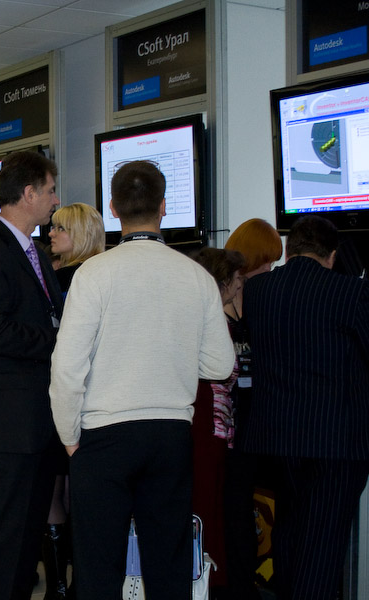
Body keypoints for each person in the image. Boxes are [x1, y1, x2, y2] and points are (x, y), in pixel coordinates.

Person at [49, 160, 235, 600]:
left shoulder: (94, 273)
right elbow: (220, 364)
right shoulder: (196, 275)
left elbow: (67, 366)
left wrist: (69, 438)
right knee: (169, 565)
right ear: (164, 206)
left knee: (98, 569)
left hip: (103, 436)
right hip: (170, 434)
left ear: (113, 208)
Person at [240, 215, 369, 599]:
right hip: (336, 445)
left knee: (290, 538)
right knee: (322, 553)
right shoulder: (350, 292)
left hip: (277, 442)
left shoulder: (258, 291)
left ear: (289, 250)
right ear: (331, 255)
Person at [0, 150, 64, 600]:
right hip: (8, 422)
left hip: (38, 419)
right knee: (4, 535)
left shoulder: (33, 250)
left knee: (26, 535)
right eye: (51, 191)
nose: (56, 200)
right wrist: (60, 338)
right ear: (29, 194)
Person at [43, 202, 105, 599]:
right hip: (98, 398)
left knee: (56, 491)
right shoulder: (106, 275)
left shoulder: (64, 279)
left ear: (80, 234)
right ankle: (80, 583)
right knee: (81, 495)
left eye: (59, 228)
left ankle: (58, 587)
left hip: (64, 394)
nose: (50, 234)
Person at [221, 217, 283, 600]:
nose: (271, 269)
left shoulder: (263, 301)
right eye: (267, 261)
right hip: (230, 426)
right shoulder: (219, 306)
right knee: (235, 511)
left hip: (261, 420)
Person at [189, 246, 246, 595]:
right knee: (206, 508)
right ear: (222, 282)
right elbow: (222, 371)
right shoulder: (209, 321)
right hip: (206, 425)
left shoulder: (195, 316)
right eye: (237, 279)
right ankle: (206, 582)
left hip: (208, 424)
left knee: (208, 507)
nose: (240, 286)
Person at [48, 202, 105, 295]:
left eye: (61, 228)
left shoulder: (65, 277)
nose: (51, 234)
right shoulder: (104, 269)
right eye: (53, 227)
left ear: (82, 234)